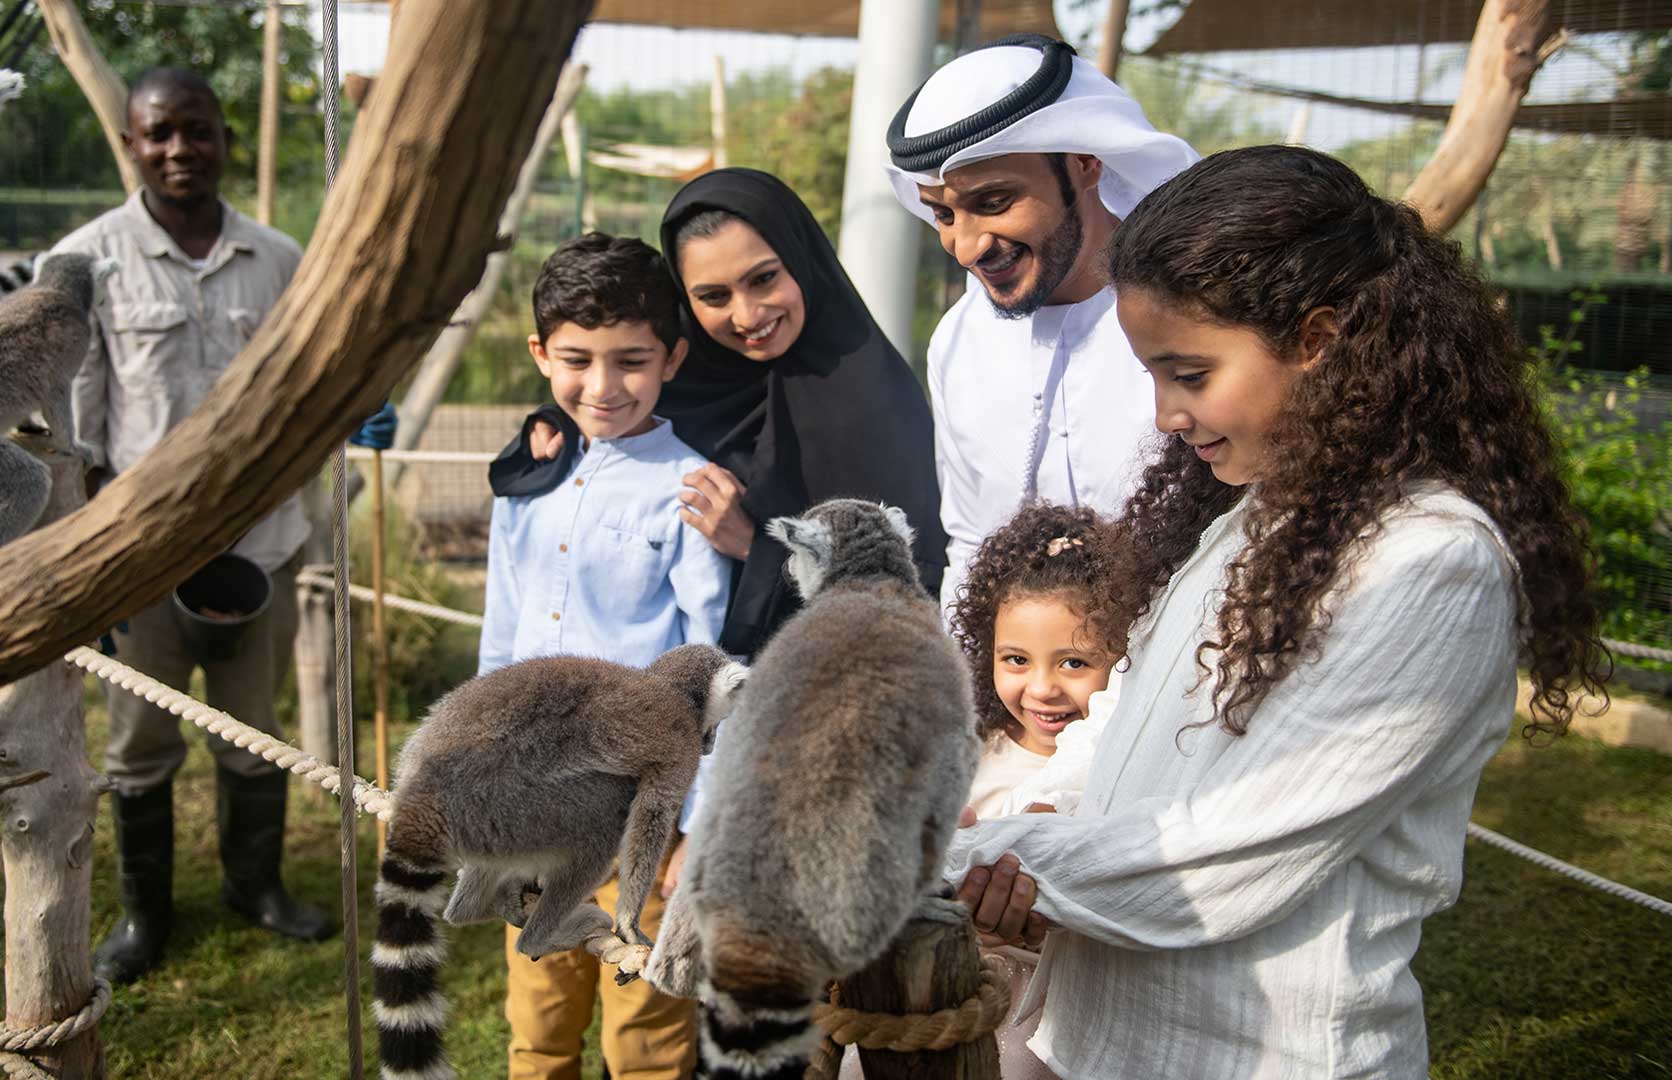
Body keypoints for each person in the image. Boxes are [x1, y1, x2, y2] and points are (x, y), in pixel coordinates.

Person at [944, 146, 1610, 1078]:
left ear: (1320, 341)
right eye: (1152, 374)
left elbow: (1236, 851)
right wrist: (1019, 820)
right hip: (1096, 1041)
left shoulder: (1433, 561)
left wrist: (956, 863)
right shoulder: (1254, 516)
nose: (1166, 414)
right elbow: (1129, 719)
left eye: (1189, 371)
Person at [55, 67, 329, 986]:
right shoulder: (87, 260)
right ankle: (146, 917)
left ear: (223, 138)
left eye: (198, 131)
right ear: (132, 144)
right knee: (139, 743)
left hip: (264, 543)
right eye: (160, 133)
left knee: (254, 728)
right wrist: (93, 558)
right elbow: (78, 422)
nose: (181, 150)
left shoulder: (281, 258)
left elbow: (306, 388)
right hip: (144, 561)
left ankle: (258, 889)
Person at [493, 168, 946, 659]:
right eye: (713, 296)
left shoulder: (872, 399)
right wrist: (552, 423)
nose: (748, 316)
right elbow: (610, 402)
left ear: (799, 258)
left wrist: (759, 549)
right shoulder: (683, 379)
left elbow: (911, 586)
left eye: (764, 279)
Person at [484, 232, 733, 1080]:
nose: (602, 386)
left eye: (630, 361)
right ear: (540, 354)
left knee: (648, 1036)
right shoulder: (530, 476)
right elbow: (501, 630)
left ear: (672, 358)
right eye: (576, 360)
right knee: (539, 1019)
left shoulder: (691, 488)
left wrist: (693, 824)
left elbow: (712, 673)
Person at [883, 32, 1197, 612]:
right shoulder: (958, 341)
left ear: (1083, 162)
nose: (965, 247)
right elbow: (973, 546)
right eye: (944, 214)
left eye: (994, 202)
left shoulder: (1194, 317)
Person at [852, 502, 1118, 1080]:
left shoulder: (1118, 770)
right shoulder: (965, 754)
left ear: (1120, 659)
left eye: (1074, 662)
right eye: (1016, 660)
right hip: (930, 987)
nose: (1042, 688)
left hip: (1046, 1011)